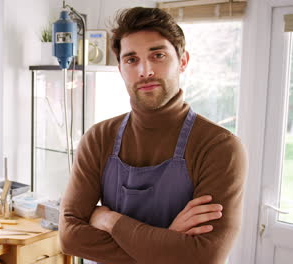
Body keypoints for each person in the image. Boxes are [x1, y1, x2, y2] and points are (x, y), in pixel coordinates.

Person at [58, 7, 247, 264]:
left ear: (183, 61)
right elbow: (70, 238)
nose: (145, 70)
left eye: (158, 55)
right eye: (132, 59)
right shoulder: (98, 138)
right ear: (121, 69)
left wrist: (110, 220)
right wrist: (168, 245)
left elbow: (204, 256)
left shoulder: (219, 147)